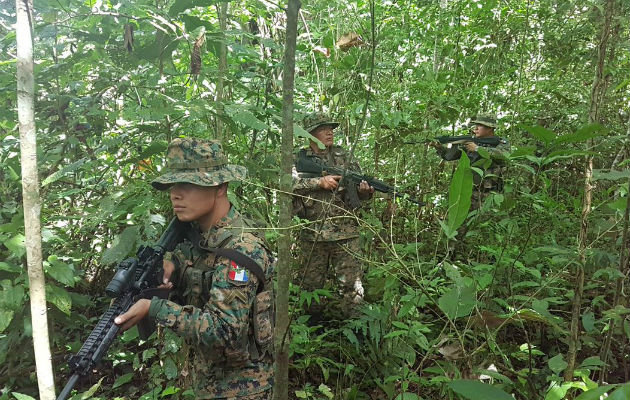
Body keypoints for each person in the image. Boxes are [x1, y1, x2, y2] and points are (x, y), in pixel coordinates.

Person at [114, 137, 274, 399]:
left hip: (243, 388)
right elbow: (197, 269)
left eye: (188, 184)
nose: (175, 194)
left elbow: (225, 331)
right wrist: (171, 268)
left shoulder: (242, 248)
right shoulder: (197, 236)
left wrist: (154, 307)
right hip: (206, 379)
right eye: (173, 184)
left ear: (220, 186)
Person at [291, 112, 374, 321]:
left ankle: (353, 333)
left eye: (331, 129)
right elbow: (284, 185)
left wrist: (365, 193)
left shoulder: (344, 157)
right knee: (310, 287)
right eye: (323, 129)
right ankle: (310, 335)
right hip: (312, 233)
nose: (329, 132)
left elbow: (358, 193)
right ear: (310, 134)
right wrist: (318, 182)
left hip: (345, 233)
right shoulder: (298, 158)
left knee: (352, 289)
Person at [432, 114, 510, 210]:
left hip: (490, 191)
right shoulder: (470, 142)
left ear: (490, 128)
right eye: (475, 125)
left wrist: (478, 149)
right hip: (468, 189)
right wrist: (438, 147)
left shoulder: (501, 142)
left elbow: (504, 155)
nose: (476, 128)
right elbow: (450, 156)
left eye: (480, 125)